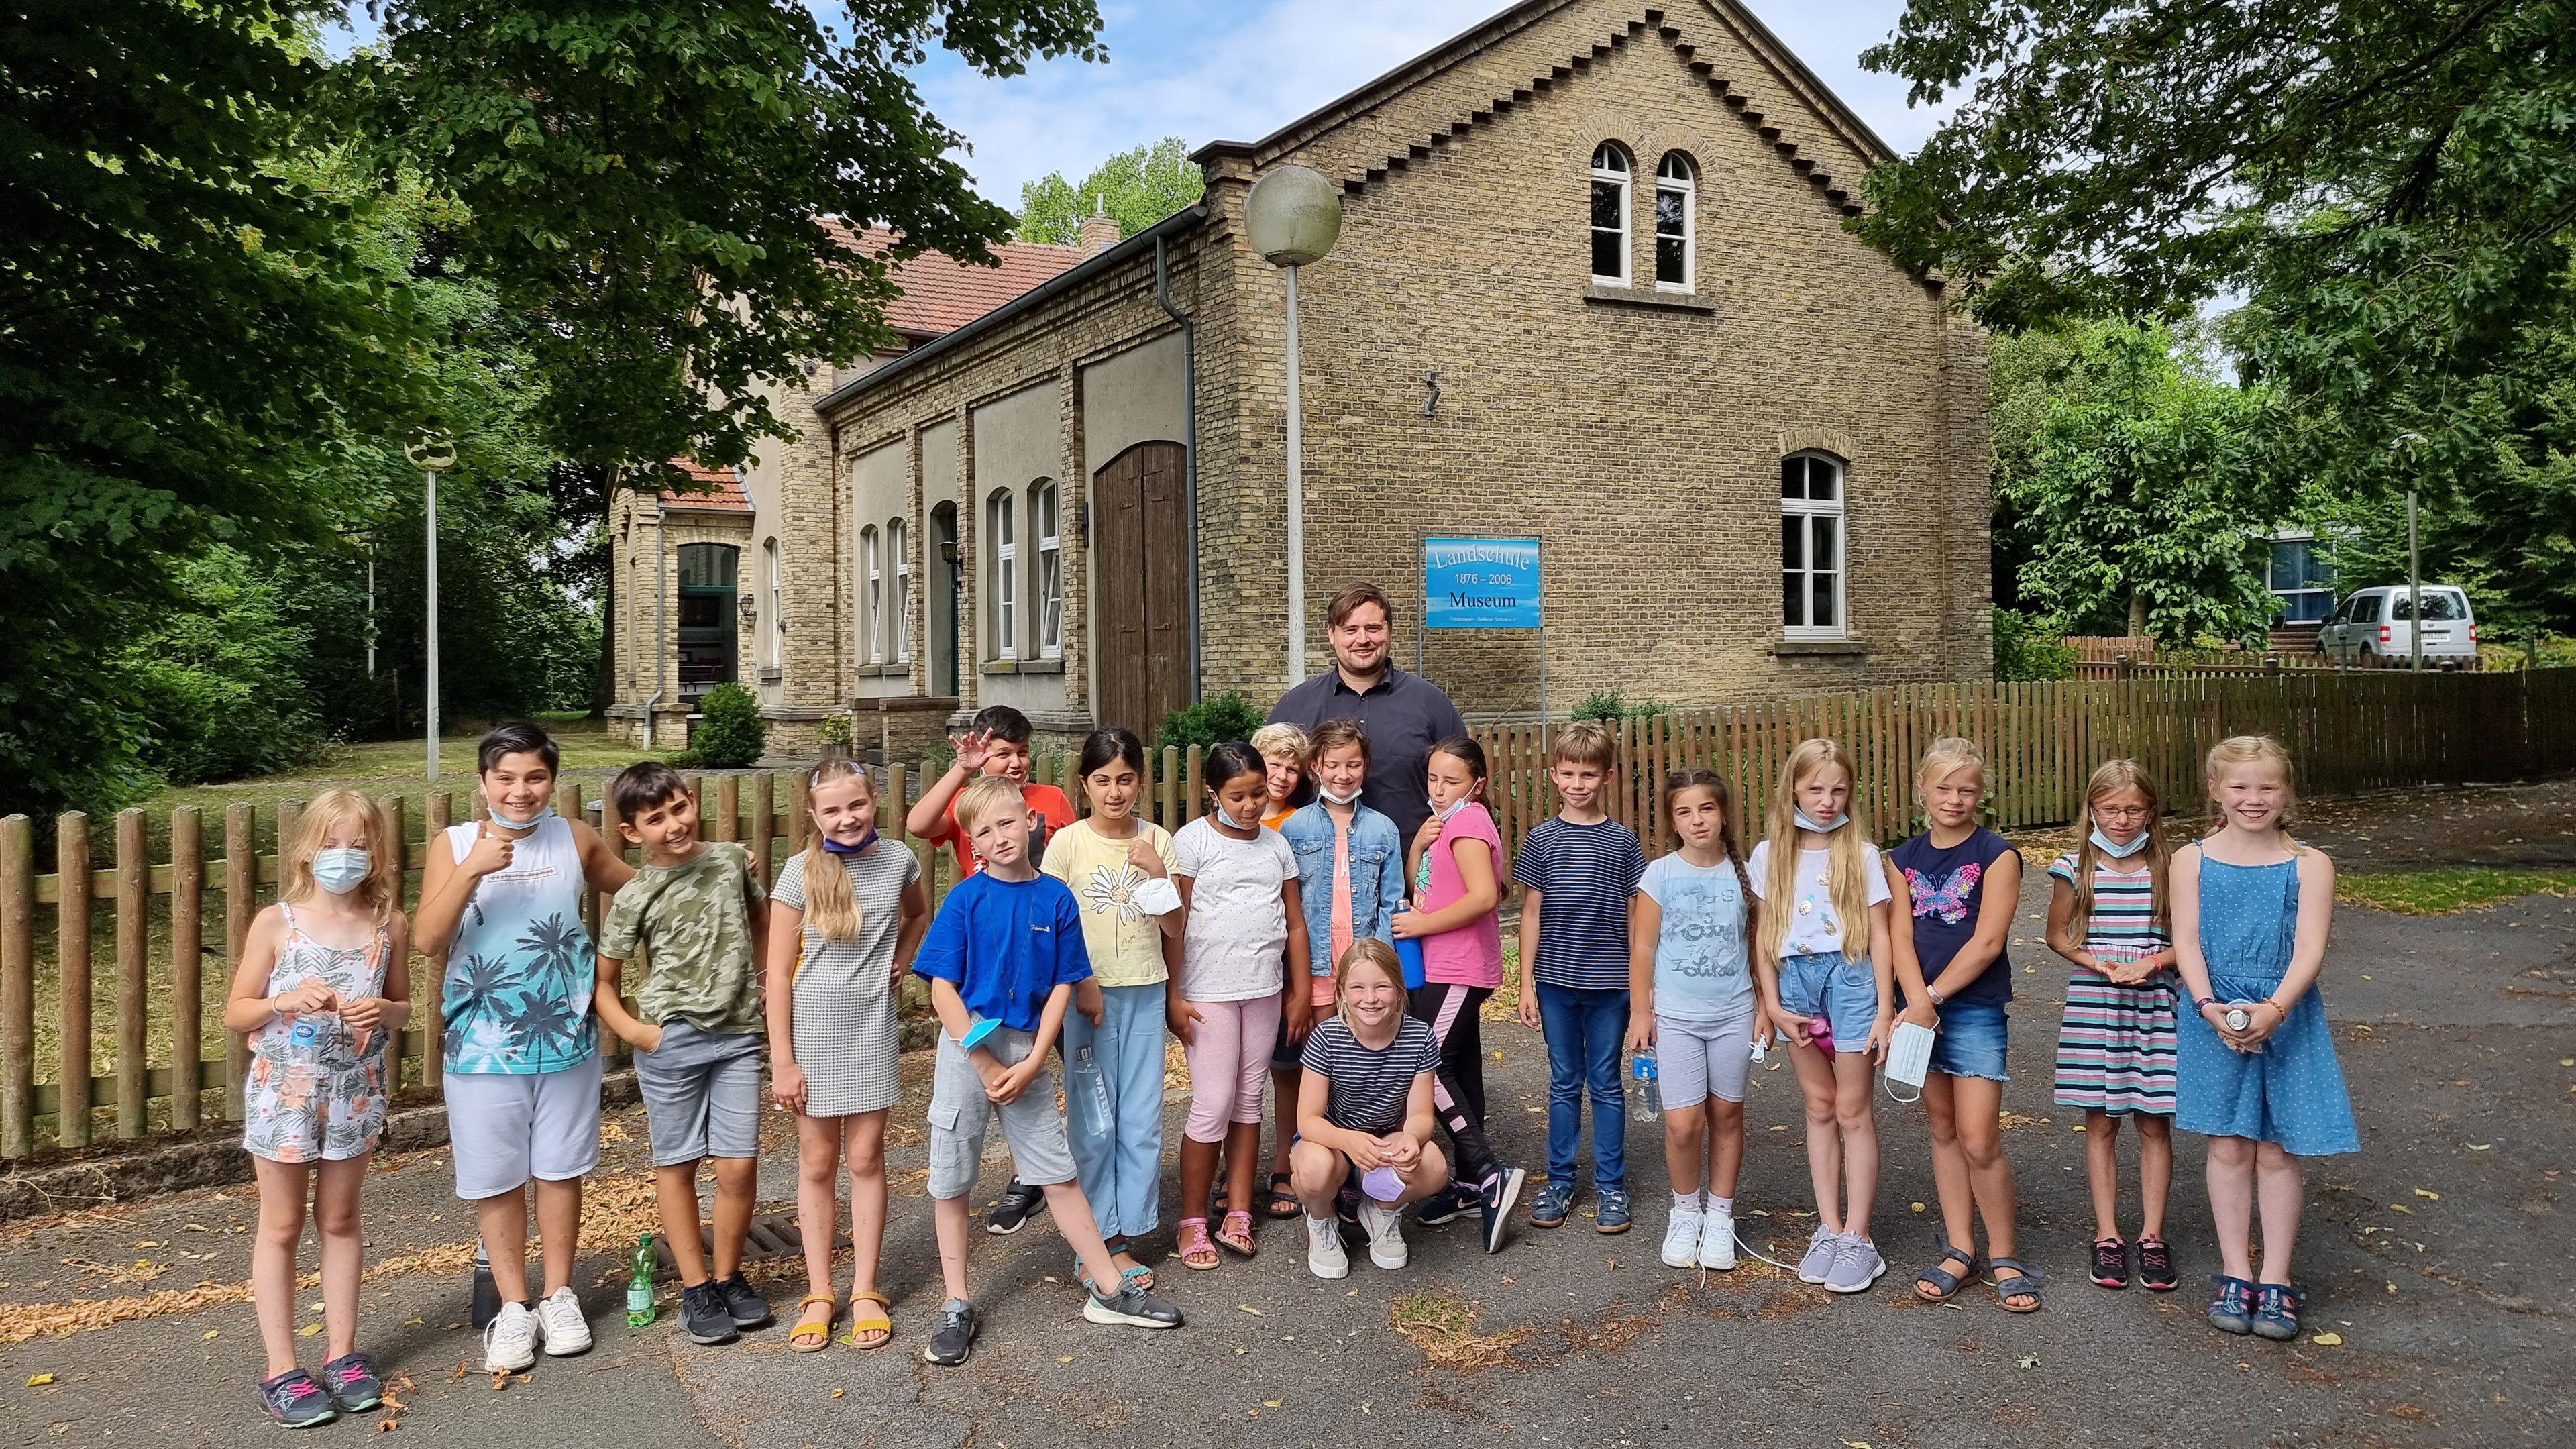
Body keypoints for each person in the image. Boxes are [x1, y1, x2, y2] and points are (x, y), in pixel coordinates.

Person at [914, 776, 1181, 1366]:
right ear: (972, 842)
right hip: (968, 1050)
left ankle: (1111, 1287)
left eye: (1008, 822)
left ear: (1030, 821)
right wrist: (981, 1061)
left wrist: (1036, 1059)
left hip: (1027, 1053)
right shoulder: (966, 898)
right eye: (983, 831)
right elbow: (942, 990)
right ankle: (956, 1301)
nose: (999, 836)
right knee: (953, 1179)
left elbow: (1065, 981)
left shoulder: (1057, 898)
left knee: (1057, 1174)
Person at [413, 721, 634, 1373]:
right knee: (497, 1176)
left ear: (552, 781)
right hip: (482, 1044)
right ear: (482, 783)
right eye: (505, 778)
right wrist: (473, 871)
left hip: (567, 1038)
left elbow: (643, 888)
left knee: (560, 1169)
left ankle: (558, 1295)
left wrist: (713, 863)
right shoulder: (453, 844)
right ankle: (513, 1308)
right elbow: (428, 939)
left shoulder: (575, 838)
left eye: (535, 777)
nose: (520, 790)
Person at [226, 790, 411, 1428]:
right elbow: (237, 1010)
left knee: (339, 1219)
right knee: (281, 1226)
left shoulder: (389, 924)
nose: (344, 856)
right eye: (332, 843)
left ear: (378, 851)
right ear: (307, 848)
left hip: (354, 1092)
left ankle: (342, 1354)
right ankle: (281, 1368)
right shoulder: (276, 923)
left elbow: (403, 1006)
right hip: (286, 1094)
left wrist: (382, 1013)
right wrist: (285, 1000)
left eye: (359, 844)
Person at [2171, 735, 2356, 1342]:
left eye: (2267, 786)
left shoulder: (2311, 864)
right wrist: (2207, 1007)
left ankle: (2276, 1278)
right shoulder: (2191, 859)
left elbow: (2311, 950)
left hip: (2287, 1012)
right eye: (2241, 787)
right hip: (2211, 1010)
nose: (2254, 799)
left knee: (2277, 1148)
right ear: (2216, 791)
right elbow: (2189, 942)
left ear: (2287, 791)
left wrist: (2275, 1009)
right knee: (2227, 1145)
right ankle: (2235, 1272)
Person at [593, 763, 773, 1347]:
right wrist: (637, 1033)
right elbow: (604, 980)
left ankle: (729, 1276)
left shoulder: (729, 860)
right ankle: (697, 1287)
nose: (673, 825)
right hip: (672, 1042)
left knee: (738, 1164)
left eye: (678, 809)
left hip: (740, 1035)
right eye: (655, 819)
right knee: (678, 1163)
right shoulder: (636, 895)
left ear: (692, 800)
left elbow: (760, 917)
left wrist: (766, 978)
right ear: (631, 832)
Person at [765, 760, 929, 1352]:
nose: (847, 818)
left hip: (870, 1028)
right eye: (832, 810)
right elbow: (779, 975)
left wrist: (905, 957)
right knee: (816, 1164)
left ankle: (864, 1288)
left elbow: (917, 914)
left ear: (874, 801)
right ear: (814, 816)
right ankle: (818, 1290)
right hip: (812, 1033)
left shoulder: (898, 861)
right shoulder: (797, 874)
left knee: (864, 1158)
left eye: (855, 805)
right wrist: (783, 1060)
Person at [904, 704, 1077, 1236]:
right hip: (987, 951)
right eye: (1003, 754)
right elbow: (917, 824)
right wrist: (966, 767)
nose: (1016, 763)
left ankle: (1044, 1174)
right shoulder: (970, 803)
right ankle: (1020, 1177)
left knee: (1051, 1069)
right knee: (987, 1077)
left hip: (1048, 943)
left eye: (1022, 752)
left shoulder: (1051, 800)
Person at [1890, 739, 2037, 1312]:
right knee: (1944, 1129)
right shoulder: (1900, 859)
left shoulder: (1997, 854)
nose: (1955, 798)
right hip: (1917, 1013)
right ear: (1922, 788)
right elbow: (1899, 936)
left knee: (1980, 1137)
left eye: (1967, 789)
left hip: (1971, 1009)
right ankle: (1960, 1247)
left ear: (1982, 793)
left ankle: (2005, 1252)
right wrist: (1913, 1002)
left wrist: (1931, 995)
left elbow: (1988, 941)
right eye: (1944, 787)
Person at [1748, 737, 1895, 1297]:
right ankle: (1828, 1229)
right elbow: (1763, 936)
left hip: (1853, 979)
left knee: (1853, 1109)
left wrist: (1885, 1008)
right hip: (1795, 982)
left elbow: (1880, 933)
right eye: (1815, 789)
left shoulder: (1860, 854)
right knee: (1818, 1106)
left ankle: (1859, 1237)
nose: (1827, 800)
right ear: (1793, 789)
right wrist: (1771, 1002)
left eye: (1838, 789)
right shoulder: (1769, 855)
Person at [1040, 726, 1185, 1292]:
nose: (1115, 792)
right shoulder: (1068, 844)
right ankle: (1095, 1240)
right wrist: (1079, 985)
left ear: (1141, 783)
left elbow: (1174, 928)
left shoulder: (1157, 841)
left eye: (1125, 780)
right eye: (1102, 781)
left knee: (1141, 1115)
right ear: (1085, 785)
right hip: (1085, 997)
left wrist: (1155, 872)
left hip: (1144, 988)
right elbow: (1050, 927)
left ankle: (1128, 1232)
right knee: (1094, 1119)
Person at [1169, 743, 1305, 1268]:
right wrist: (1173, 995)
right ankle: (1193, 1219)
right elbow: (1175, 927)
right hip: (1208, 994)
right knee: (1213, 1100)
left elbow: (1293, 922)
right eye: (1237, 796)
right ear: (1213, 793)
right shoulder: (1193, 842)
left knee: (1250, 1098)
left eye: (1257, 794)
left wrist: (1295, 991)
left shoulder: (1276, 846)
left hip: (1265, 989)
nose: (1250, 805)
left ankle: (1241, 1211)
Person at [2046, 759, 2180, 1293]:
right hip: (2096, 1002)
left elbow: (2189, 939)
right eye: (2110, 809)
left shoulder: (2171, 864)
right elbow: (2059, 936)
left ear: (2151, 810)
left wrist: (2153, 963)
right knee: (2100, 1121)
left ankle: (2152, 1236)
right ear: (2092, 810)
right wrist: (2100, 963)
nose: (2122, 820)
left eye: (2133, 809)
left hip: (2155, 1002)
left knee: (2154, 1122)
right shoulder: (2073, 866)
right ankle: (2107, 1235)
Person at [1392, 733, 1525, 1252]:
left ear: (1477, 783)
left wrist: (1423, 927)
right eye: (1433, 779)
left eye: (1452, 781)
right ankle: (1472, 1185)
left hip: (1457, 965)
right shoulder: (1444, 824)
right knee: (1461, 1065)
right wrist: (1418, 846)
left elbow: (1485, 897)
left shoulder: (1470, 821)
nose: (1441, 789)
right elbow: (1420, 885)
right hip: (1439, 963)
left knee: (1425, 1062)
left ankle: (1490, 1174)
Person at [1513, 720, 1646, 1234]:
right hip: (1555, 984)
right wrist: (1525, 982)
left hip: (1612, 985)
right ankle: (1561, 1180)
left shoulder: (1623, 843)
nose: (1577, 784)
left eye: (1588, 774)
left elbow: (1638, 924)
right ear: (1554, 774)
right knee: (1565, 1082)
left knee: (1607, 1083)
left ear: (1607, 777)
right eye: (1568, 773)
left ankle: (1613, 1187)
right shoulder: (1542, 840)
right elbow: (1530, 915)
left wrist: (1641, 993)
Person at [1627, 769, 1758, 1274]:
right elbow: (1643, 946)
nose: (1697, 819)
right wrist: (1642, 1011)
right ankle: (1686, 1212)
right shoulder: (1659, 875)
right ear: (1672, 821)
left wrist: (1764, 1009)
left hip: (1734, 1014)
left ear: (1723, 813)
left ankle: (1721, 1217)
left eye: (1706, 808)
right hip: (1675, 1018)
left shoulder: (1746, 875)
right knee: (1683, 1124)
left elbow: (1759, 949)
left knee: (1726, 1116)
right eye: (1684, 811)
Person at [1289, 940, 1450, 1279]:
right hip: (1330, 1142)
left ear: (1399, 988)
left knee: (1433, 1164)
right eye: (1358, 987)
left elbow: (1422, 1113)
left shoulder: (1420, 1037)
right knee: (1316, 1169)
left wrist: (1413, 1136)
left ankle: (1381, 1209)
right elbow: (1307, 1120)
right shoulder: (1326, 1037)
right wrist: (1349, 1141)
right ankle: (1321, 1220)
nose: (1371, 998)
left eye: (1382, 987)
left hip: (1382, 1144)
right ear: (1342, 992)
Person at [1265, 581, 1467, 845]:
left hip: (1414, 874)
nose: (1363, 639)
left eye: (1373, 628)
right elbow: (1260, 784)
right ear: (1331, 633)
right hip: (1314, 877)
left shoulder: (1430, 703)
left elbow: (1467, 791)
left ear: (1390, 631)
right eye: (1350, 630)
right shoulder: (1295, 706)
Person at [1253, 721, 1320, 1216]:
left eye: (1293, 768)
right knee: (1235, 1081)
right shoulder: (1236, 818)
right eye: (1275, 762)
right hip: (1239, 970)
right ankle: (1233, 1173)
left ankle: (1286, 1164)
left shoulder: (1297, 824)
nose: (1282, 775)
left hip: (1286, 968)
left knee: (1288, 1073)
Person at [1251, 722, 1311, 832]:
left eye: (1292, 770)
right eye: (1275, 765)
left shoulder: (1298, 822)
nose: (1283, 776)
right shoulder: (1234, 815)